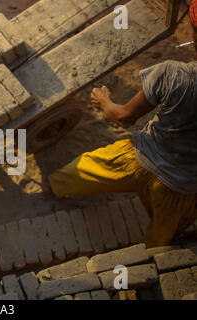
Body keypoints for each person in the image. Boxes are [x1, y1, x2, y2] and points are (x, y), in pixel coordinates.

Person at [48, 1, 197, 248]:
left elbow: (124, 117)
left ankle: (55, 187)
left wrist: (104, 101)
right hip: (183, 186)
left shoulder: (173, 74)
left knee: (76, 174)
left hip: (139, 158)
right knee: (161, 240)